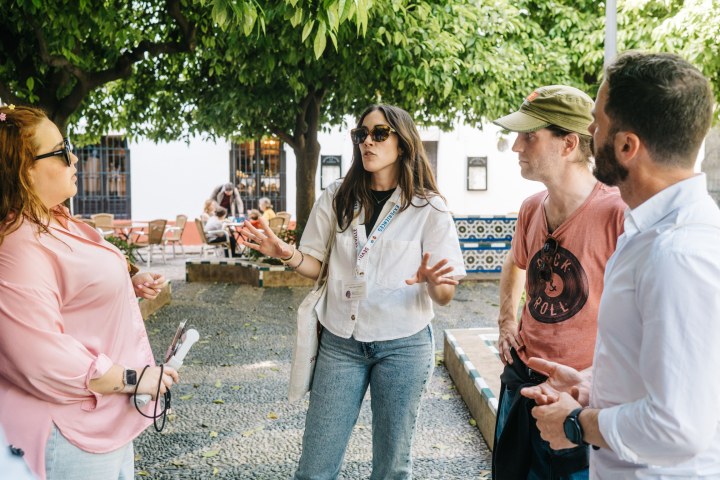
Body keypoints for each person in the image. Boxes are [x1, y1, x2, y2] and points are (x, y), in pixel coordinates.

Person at [521, 52, 720, 479]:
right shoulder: (649, 230)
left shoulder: (677, 254)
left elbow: (678, 428)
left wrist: (575, 424)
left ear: (627, 146)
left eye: (596, 123)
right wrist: (594, 385)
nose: (590, 133)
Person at [240, 104, 466, 479]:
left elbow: (445, 295)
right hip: (341, 342)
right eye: (361, 134)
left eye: (379, 134)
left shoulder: (429, 207)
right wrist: (286, 253)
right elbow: (317, 266)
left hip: (403, 345)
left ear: (404, 143)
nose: (367, 142)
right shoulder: (336, 196)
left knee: (391, 468)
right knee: (314, 468)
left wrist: (433, 281)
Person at [0, 104, 179, 480]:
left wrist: (126, 283)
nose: (75, 157)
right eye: (62, 151)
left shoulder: (55, 219)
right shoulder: (16, 246)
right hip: (68, 434)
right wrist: (134, 378)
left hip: (101, 422)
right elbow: (41, 357)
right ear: (25, 170)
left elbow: (71, 287)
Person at [490, 85, 626, 479]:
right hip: (522, 380)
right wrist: (506, 321)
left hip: (578, 394)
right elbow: (515, 265)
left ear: (568, 144)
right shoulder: (531, 208)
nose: (516, 146)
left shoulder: (616, 212)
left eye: (529, 136)